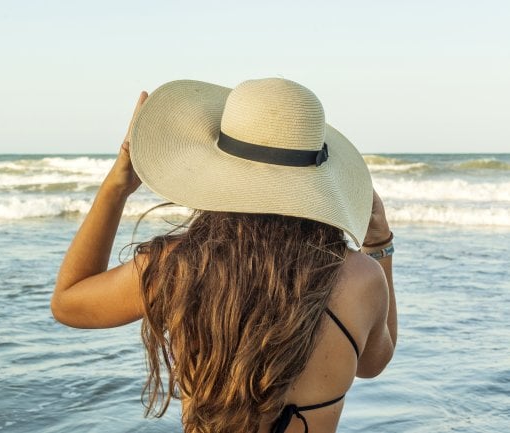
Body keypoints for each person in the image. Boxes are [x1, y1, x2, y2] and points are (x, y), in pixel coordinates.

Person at [51, 78, 397, 433]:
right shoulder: (358, 279)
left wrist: (117, 186)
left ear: (217, 167)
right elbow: (372, 363)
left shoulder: (182, 266)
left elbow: (68, 301)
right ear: (317, 175)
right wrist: (379, 245)